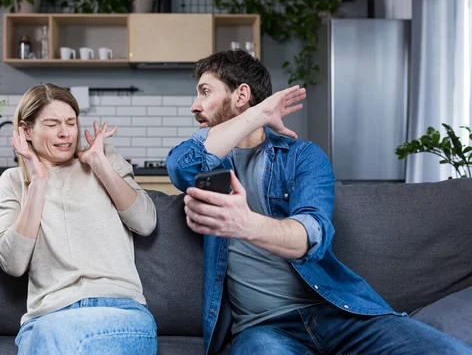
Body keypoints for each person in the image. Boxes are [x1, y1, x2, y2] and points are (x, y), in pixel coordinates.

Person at [166, 49, 472, 355]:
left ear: (241, 95)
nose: (195, 106)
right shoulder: (212, 168)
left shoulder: (301, 156)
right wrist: (254, 116)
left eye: (205, 92)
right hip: (264, 329)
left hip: (340, 315)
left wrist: (245, 224)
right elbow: (180, 167)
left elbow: (312, 237)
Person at [0, 83, 158, 354]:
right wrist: (38, 183)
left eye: (71, 122)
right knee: (52, 336)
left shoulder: (106, 160)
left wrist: (99, 164)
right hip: (49, 316)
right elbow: (13, 263)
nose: (65, 133)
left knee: (55, 341)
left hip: (118, 311)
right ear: (26, 131)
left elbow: (145, 223)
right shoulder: (14, 181)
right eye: (52, 124)